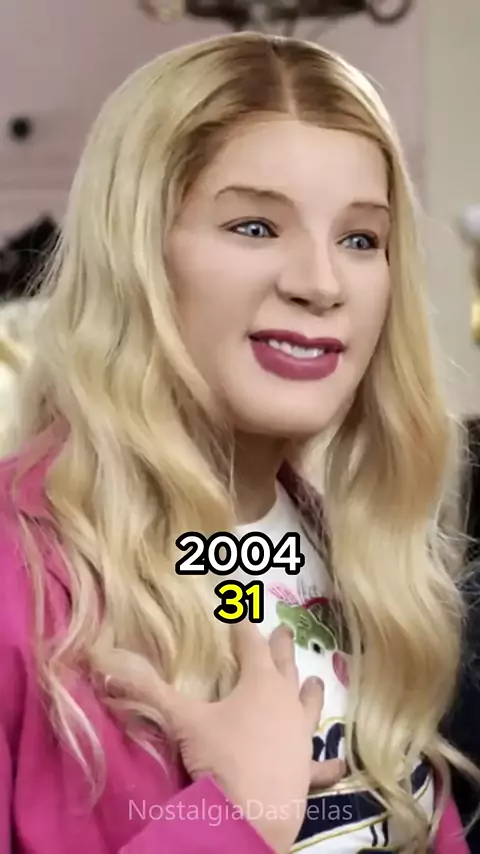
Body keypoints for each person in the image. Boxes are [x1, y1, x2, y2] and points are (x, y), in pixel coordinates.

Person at [0, 31, 476, 854]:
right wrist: (233, 816)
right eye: (255, 226)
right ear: (139, 252)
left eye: (361, 239)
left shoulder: (368, 559)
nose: (321, 283)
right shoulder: (21, 575)